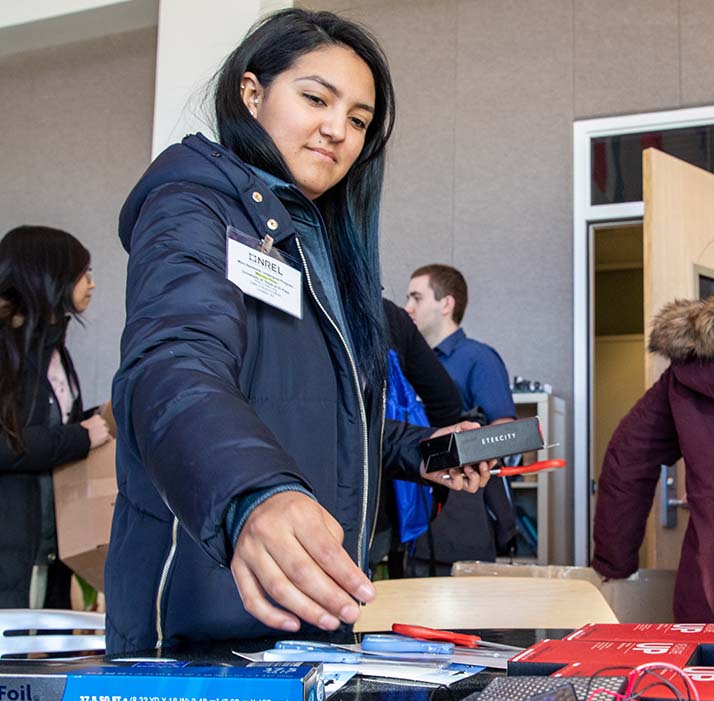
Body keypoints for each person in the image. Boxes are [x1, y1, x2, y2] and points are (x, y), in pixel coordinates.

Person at [104, 8, 490, 654]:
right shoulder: (191, 206)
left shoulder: (316, 247)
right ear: (251, 93)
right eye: (316, 98)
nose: (338, 130)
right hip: (200, 628)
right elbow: (172, 367)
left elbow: (318, 416)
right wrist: (253, 492)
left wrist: (425, 451)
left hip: (313, 614)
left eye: (360, 120)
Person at [0, 225, 111, 609]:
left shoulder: (53, 350)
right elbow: (7, 442)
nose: (91, 285)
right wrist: (78, 437)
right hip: (12, 550)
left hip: (47, 546)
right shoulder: (7, 352)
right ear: (49, 274)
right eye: (84, 273)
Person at [592, 292, 714, 623]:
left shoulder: (691, 369)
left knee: (703, 674)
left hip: (707, 593)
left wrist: (614, 563)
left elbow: (627, 460)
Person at [404, 264, 517, 567]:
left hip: (462, 513)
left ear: (446, 303)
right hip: (413, 513)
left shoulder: (478, 358)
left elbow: (504, 430)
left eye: (417, 298)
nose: (408, 308)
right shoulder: (407, 361)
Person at [369, 299, 462, 576]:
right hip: (392, 502)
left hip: (307, 507)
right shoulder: (387, 314)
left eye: (417, 298)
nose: (410, 306)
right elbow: (446, 400)